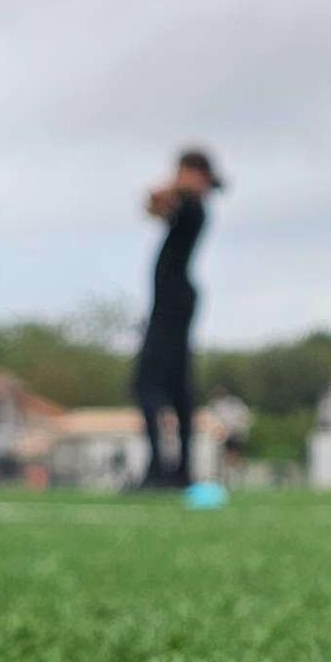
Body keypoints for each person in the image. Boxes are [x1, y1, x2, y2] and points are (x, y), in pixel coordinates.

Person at [133, 147, 220, 488]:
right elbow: (153, 207)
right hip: (172, 302)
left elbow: (157, 197)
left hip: (173, 304)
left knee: (149, 385)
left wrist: (184, 183)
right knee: (174, 387)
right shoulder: (187, 205)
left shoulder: (195, 208)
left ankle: (162, 469)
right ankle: (178, 469)